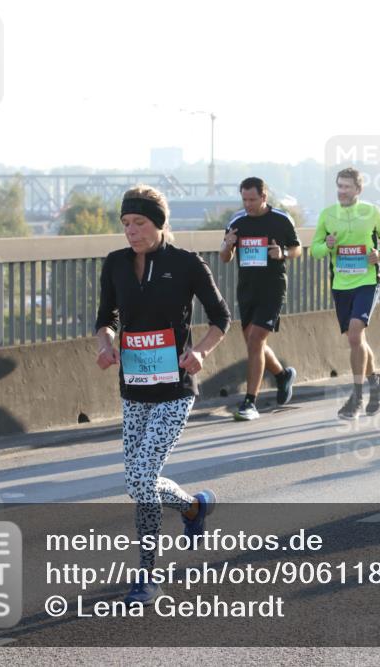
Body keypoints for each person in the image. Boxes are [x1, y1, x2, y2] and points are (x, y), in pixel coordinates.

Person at [95, 185, 231, 605]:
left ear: (159, 223)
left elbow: (221, 317)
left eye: (139, 224)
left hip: (175, 389)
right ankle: (191, 507)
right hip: (134, 388)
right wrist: (106, 343)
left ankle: (147, 575)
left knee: (138, 478)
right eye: (126, 224)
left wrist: (200, 352)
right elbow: (106, 318)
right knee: (140, 481)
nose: (131, 232)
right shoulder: (115, 263)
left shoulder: (186, 263)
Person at [311, 167, 380, 419]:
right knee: (357, 340)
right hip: (341, 284)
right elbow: (315, 250)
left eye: (347, 187)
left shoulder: (371, 212)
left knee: (356, 334)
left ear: (358, 190)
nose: (342, 191)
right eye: (339, 186)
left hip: (368, 280)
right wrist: (325, 246)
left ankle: (357, 396)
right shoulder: (327, 215)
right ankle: (376, 383)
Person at [220, 177, 301, 421]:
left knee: (256, 340)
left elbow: (297, 249)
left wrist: (282, 253)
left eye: (252, 200)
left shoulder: (281, 219)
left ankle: (249, 402)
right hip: (247, 290)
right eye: (244, 199)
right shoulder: (237, 221)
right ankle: (282, 375)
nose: (248, 204)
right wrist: (228, 245)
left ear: (264, 197)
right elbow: (225, 257)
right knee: (254, 343)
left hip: (272, 288)